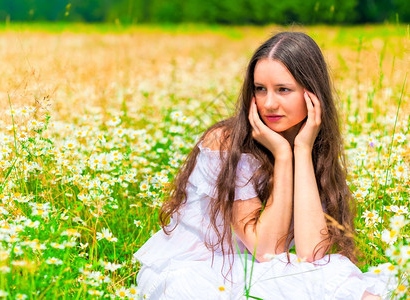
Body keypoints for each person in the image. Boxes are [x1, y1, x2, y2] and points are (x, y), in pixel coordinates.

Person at [134, 32, 392, 299]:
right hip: (195, 272)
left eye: (283, 89)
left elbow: (313, 253)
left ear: (312, 94)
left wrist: (301, 150)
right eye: (260, 89)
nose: (268, 103)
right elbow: (267, 249)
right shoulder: (226, 143)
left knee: (329, 274)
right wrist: (282, 154)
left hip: (252, 269)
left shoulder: (313, 146)